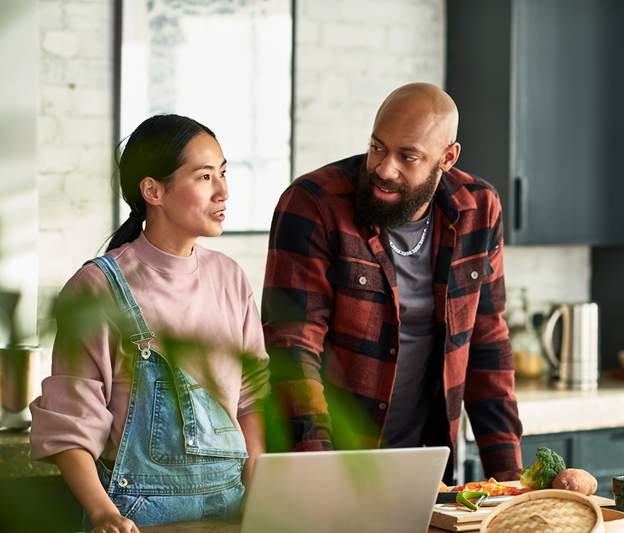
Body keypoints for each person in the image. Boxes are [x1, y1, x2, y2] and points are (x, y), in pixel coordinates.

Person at [262, 83, 522, 482]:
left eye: (408, 156)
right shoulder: (314, 203)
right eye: (377, 147)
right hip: (329, 464)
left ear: (447, 158)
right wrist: (317, 472)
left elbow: (488, 345)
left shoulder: (478, 208)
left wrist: (510, 480)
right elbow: (293, 345)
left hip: (422, 469)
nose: (383, 168)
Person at [30, 114, 269, 532]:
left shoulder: (231, 279)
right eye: (205, 177)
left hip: (233, 513)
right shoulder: (98, 289)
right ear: (153, 190)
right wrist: (104, 514)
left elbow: (251, 397)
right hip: (134, 520)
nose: (224, 191)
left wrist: (262, 487)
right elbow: (71, 425)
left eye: (224, 173)